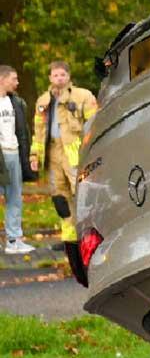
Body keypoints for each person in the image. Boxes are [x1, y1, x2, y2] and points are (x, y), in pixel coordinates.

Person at [31, 61, 98, 270]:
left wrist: (92, 150)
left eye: (62, 74)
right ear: (50, 78)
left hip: (75, 153)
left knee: (82, 194)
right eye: (55, 75)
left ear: (68, 76)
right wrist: (34, 155)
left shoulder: (83, 96)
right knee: (60, 198)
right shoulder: (43, 100)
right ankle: (69, 239)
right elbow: (38, 131)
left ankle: (88, 236)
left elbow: (94, 124)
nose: (59, 78)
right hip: (53, 154)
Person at [0, 67, 31, 254]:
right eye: (14, 79)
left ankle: (13, 241)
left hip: (14, 154)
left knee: (14, 198)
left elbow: (22, 132)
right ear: (2, 79)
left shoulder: (16, 102)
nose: (17, 82)